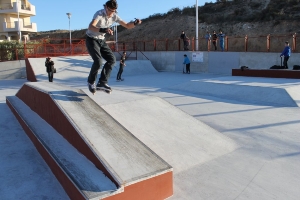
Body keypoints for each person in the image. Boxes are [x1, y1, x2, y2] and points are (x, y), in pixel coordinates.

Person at [86, 0, 142, 94]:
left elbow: (127, 25)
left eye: (114, 11)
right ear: (106, 7)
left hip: (101, 40)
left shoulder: (115, 15)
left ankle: (102, 82)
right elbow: (91, 26)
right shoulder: (99, 14)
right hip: (91, 39)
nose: (112, 13)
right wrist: (104, 29)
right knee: (98, 62)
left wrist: (135, 23)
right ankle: (91, 82)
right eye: (110, 10)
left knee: (112, 59)